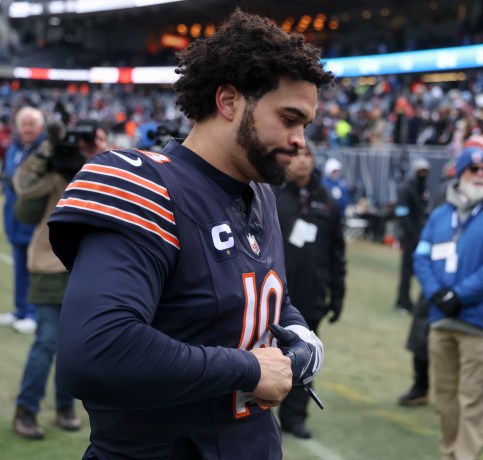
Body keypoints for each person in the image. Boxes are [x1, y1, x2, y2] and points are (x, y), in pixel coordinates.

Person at [47, 9, 332, 459]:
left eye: (306, 125)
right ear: (229, 101)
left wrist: (300, 335)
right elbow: (97, 352)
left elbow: (260, 298)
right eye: (290, 118)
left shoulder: (260, 194)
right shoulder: (144, 185)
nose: (301, 140)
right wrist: (246, 368)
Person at [414, 148, 483, 460]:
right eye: (474, 169)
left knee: (475, 400)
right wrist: (437, 294)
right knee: (445, 397)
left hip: (478, 324)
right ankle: (450, 453)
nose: (481, 174)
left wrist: (459, 295)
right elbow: (421, 256)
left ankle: (466, 456)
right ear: (460, 174)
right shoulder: (440, 215)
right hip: (441, 320)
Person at [11, 120, 109, 440]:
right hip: (49, 269)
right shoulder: (52, 176)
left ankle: (65, 406)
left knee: (73, 346)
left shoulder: (101, 171)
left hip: (86, 270)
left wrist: (100, 155)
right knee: (47, 342)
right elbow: (22, 194)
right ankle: (26, 409)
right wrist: (45, 154)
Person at [272, 140, 346, 439]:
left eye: (308, 155)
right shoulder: (272, 194)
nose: (302, 160)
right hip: (275, 295)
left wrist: (337, 294)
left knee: (304, 357)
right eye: (298, 154)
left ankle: (295, 417)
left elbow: (337, 252)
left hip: (312, 294)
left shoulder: (327, 200)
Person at [0, 106, 45, 334]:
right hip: (13, 219)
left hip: (36, 223)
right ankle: (20, 310)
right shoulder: (14, 147)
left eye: (31, 124)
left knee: (35, 270)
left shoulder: (45, 150)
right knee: (19, 267)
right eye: (24, 124)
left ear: (40, 127)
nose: (27, 129)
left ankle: (33, 314)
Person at [394, 158, 431, 313]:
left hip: (419, 235)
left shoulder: (423, 189)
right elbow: (402, 213)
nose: (423, 175)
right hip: (410, 236)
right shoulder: (406, 188)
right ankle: (403, 301)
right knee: (407, 270)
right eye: (420, 172)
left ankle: (409, 301)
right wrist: (412, 233)